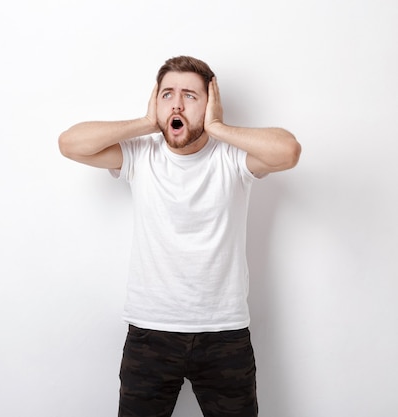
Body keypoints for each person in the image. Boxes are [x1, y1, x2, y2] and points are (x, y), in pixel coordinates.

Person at [58, 56, 301, 417]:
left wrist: (216, 127)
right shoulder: (141, 156)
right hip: (150, 332)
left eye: (190, 96)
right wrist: (144, 123)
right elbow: (70, 144)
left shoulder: (233, 158)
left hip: (224, 333)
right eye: (167, 94)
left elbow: (288, 151)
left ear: (210, 103)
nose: (176, 104)